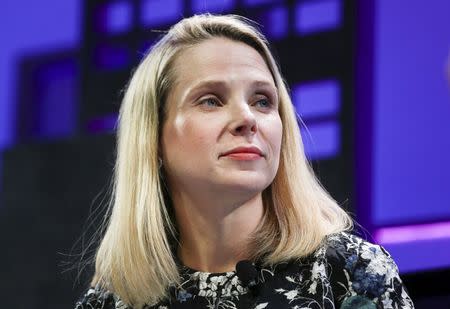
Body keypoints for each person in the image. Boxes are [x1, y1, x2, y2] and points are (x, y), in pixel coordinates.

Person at [75, 14, 414, 309]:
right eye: (210, 101)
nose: (247, 118)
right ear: (154, 138)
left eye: (263, 101)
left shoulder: (354, 275)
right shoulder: (111, 301)